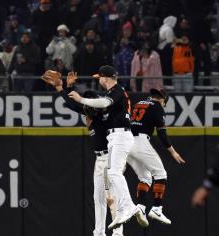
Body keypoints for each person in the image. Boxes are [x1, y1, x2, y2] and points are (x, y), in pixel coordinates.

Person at [41, 70, 124, 236]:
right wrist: (65, 87)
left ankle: (117, 233)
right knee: (98, 198)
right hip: (100, 159)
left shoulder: (101, 113)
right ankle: (99, 232)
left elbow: (75, 105)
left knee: (111, 197)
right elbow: (75, 105)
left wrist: (63, 88)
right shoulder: (92, 114)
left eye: (90, 101)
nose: (87, 105)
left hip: (110, 158)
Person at [68, 65, 147, 230]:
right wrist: (67, 89)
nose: (99, 80)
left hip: (120, 135)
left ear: (106, 77)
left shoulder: (116, 91)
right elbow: (88, 106)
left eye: (100, 77)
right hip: (115, 138)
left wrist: (81, 98)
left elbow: (103, 102)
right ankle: (129, 209)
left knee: (113, 175)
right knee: (110, 181)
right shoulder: (112, 94)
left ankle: (129, 207)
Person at [127, 88, 185, 225]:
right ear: (163, 99)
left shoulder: (138, 103)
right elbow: (161, 133)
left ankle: (140, 207)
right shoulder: (157, 106)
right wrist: (173, 152)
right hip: (140, 141)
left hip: (126, 142)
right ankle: (157, 208)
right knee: (161, 174)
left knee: (145, 177)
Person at [157, 16, 177, 85]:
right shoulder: (169, 29)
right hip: (166, 52)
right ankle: (168, 83)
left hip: (160, 50)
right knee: (167, 69)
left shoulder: (162, 27)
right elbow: (170, 42)